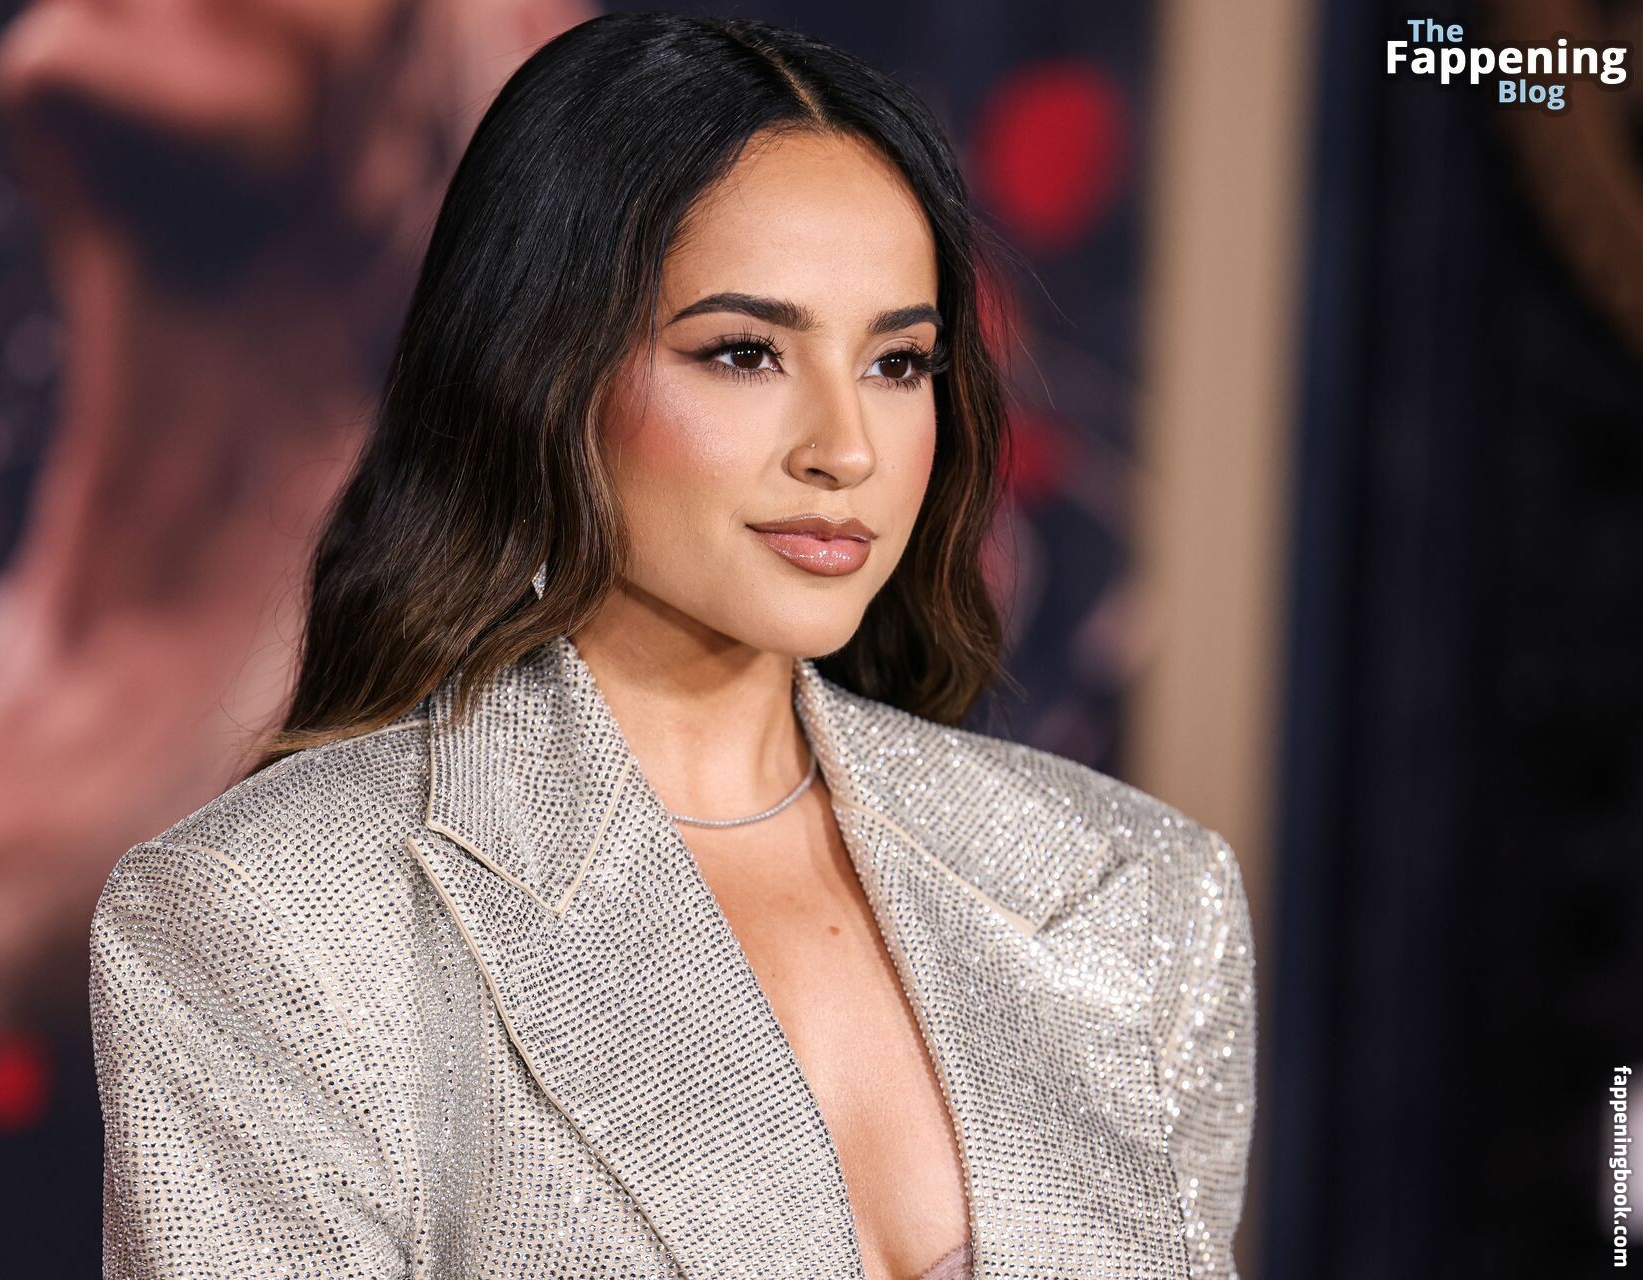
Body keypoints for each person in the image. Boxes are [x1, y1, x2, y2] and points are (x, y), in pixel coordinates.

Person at [88, 12, 1256, 1280]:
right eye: (745, 353)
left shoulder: (1139, 897)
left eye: (897, 362)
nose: (844, 448)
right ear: (542, 372)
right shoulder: (273, 919)